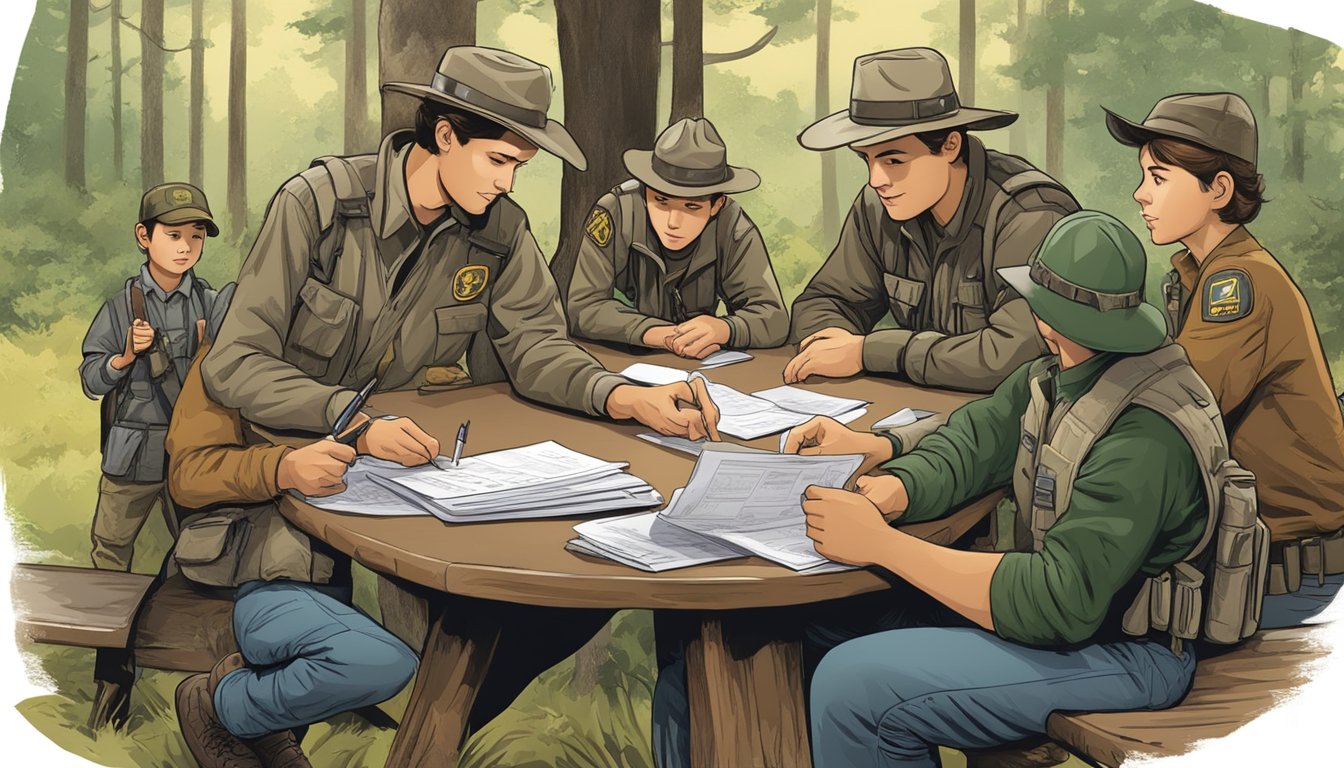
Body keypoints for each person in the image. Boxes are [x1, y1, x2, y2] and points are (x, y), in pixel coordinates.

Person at [663, 211, 1264, 767]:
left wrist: (882, 545)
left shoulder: (1143, 435)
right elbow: (974, 444)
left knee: (856, 682)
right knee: (813, 624)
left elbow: (1061, 601)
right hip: (1076, 624)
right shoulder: (1057, 375)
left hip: (1131, 653)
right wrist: (896, 483)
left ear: (1050, 315)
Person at [202, 45, 721, 446]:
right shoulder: (317, 206)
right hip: (288, 457)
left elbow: (536, 347)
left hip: (422, 465)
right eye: (498, 161)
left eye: (518, 167)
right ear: (447, 136)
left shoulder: (502, 231)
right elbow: (236, 362)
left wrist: (626, 397)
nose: (507, 184)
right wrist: (351, 421)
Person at [1105, 92, 1344, 627]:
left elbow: (1177, 416)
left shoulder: (1238, 283)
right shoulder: (1200, 272)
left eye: (1158, 177)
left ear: (1218, 189)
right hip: (1253, 558)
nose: (1140, 195)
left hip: (1281, 577)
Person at [167, 329, 420, 768]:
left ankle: (256, 720)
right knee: (381, 662)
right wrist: (281, 467)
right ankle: (226, 705)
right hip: (260, 572)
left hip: (334, 565)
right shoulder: (231, 350)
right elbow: (188, 474)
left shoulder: (371, 351)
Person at [784, 47, 1078, 393]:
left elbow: (1015, 355)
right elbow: (822, 301)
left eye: (893, 161)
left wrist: (870, 352)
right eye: (867, 160)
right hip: (912, 416)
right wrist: (830, 337)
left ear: (950, 145)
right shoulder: (878, 207)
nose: (876, 179)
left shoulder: (1030, 215)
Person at [78, 182, 227, 572]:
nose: (186, 247)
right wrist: (124, 357)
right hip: (133, 455)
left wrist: (206, 349)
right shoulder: (119, 308)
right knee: (110, 549)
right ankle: (105, 629)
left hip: (192, 454)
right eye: (174, 235)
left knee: (204, 550)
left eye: (196, 237)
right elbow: (91, 380)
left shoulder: (211, 305)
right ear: (144, 236)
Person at [566, 117, 787, 358]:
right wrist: (665, 335)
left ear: (716, 205)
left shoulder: (732, 226)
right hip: (625, 360)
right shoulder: (616, 211)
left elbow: (773, 318)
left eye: (691, 207)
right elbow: (584, 307)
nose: (673, 222)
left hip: (707, 365)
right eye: (661, 201)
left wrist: (725, 329)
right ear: (645, 190)